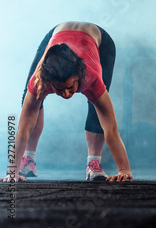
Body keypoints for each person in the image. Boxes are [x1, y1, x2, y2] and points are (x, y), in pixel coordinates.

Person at [3, 22, 132, 182]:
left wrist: (124, 169)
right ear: (50, 83)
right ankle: (28, 160)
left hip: (99, 40)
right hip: (57, 33)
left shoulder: (91, 78)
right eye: (59, 89)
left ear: (79, 76)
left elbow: (111, 128)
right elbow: (23, 128)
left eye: (71, 87)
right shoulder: (40, 81)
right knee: (29, 100)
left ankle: (94, 162)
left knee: (97, 105)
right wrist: (12, 172)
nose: (65, 94)